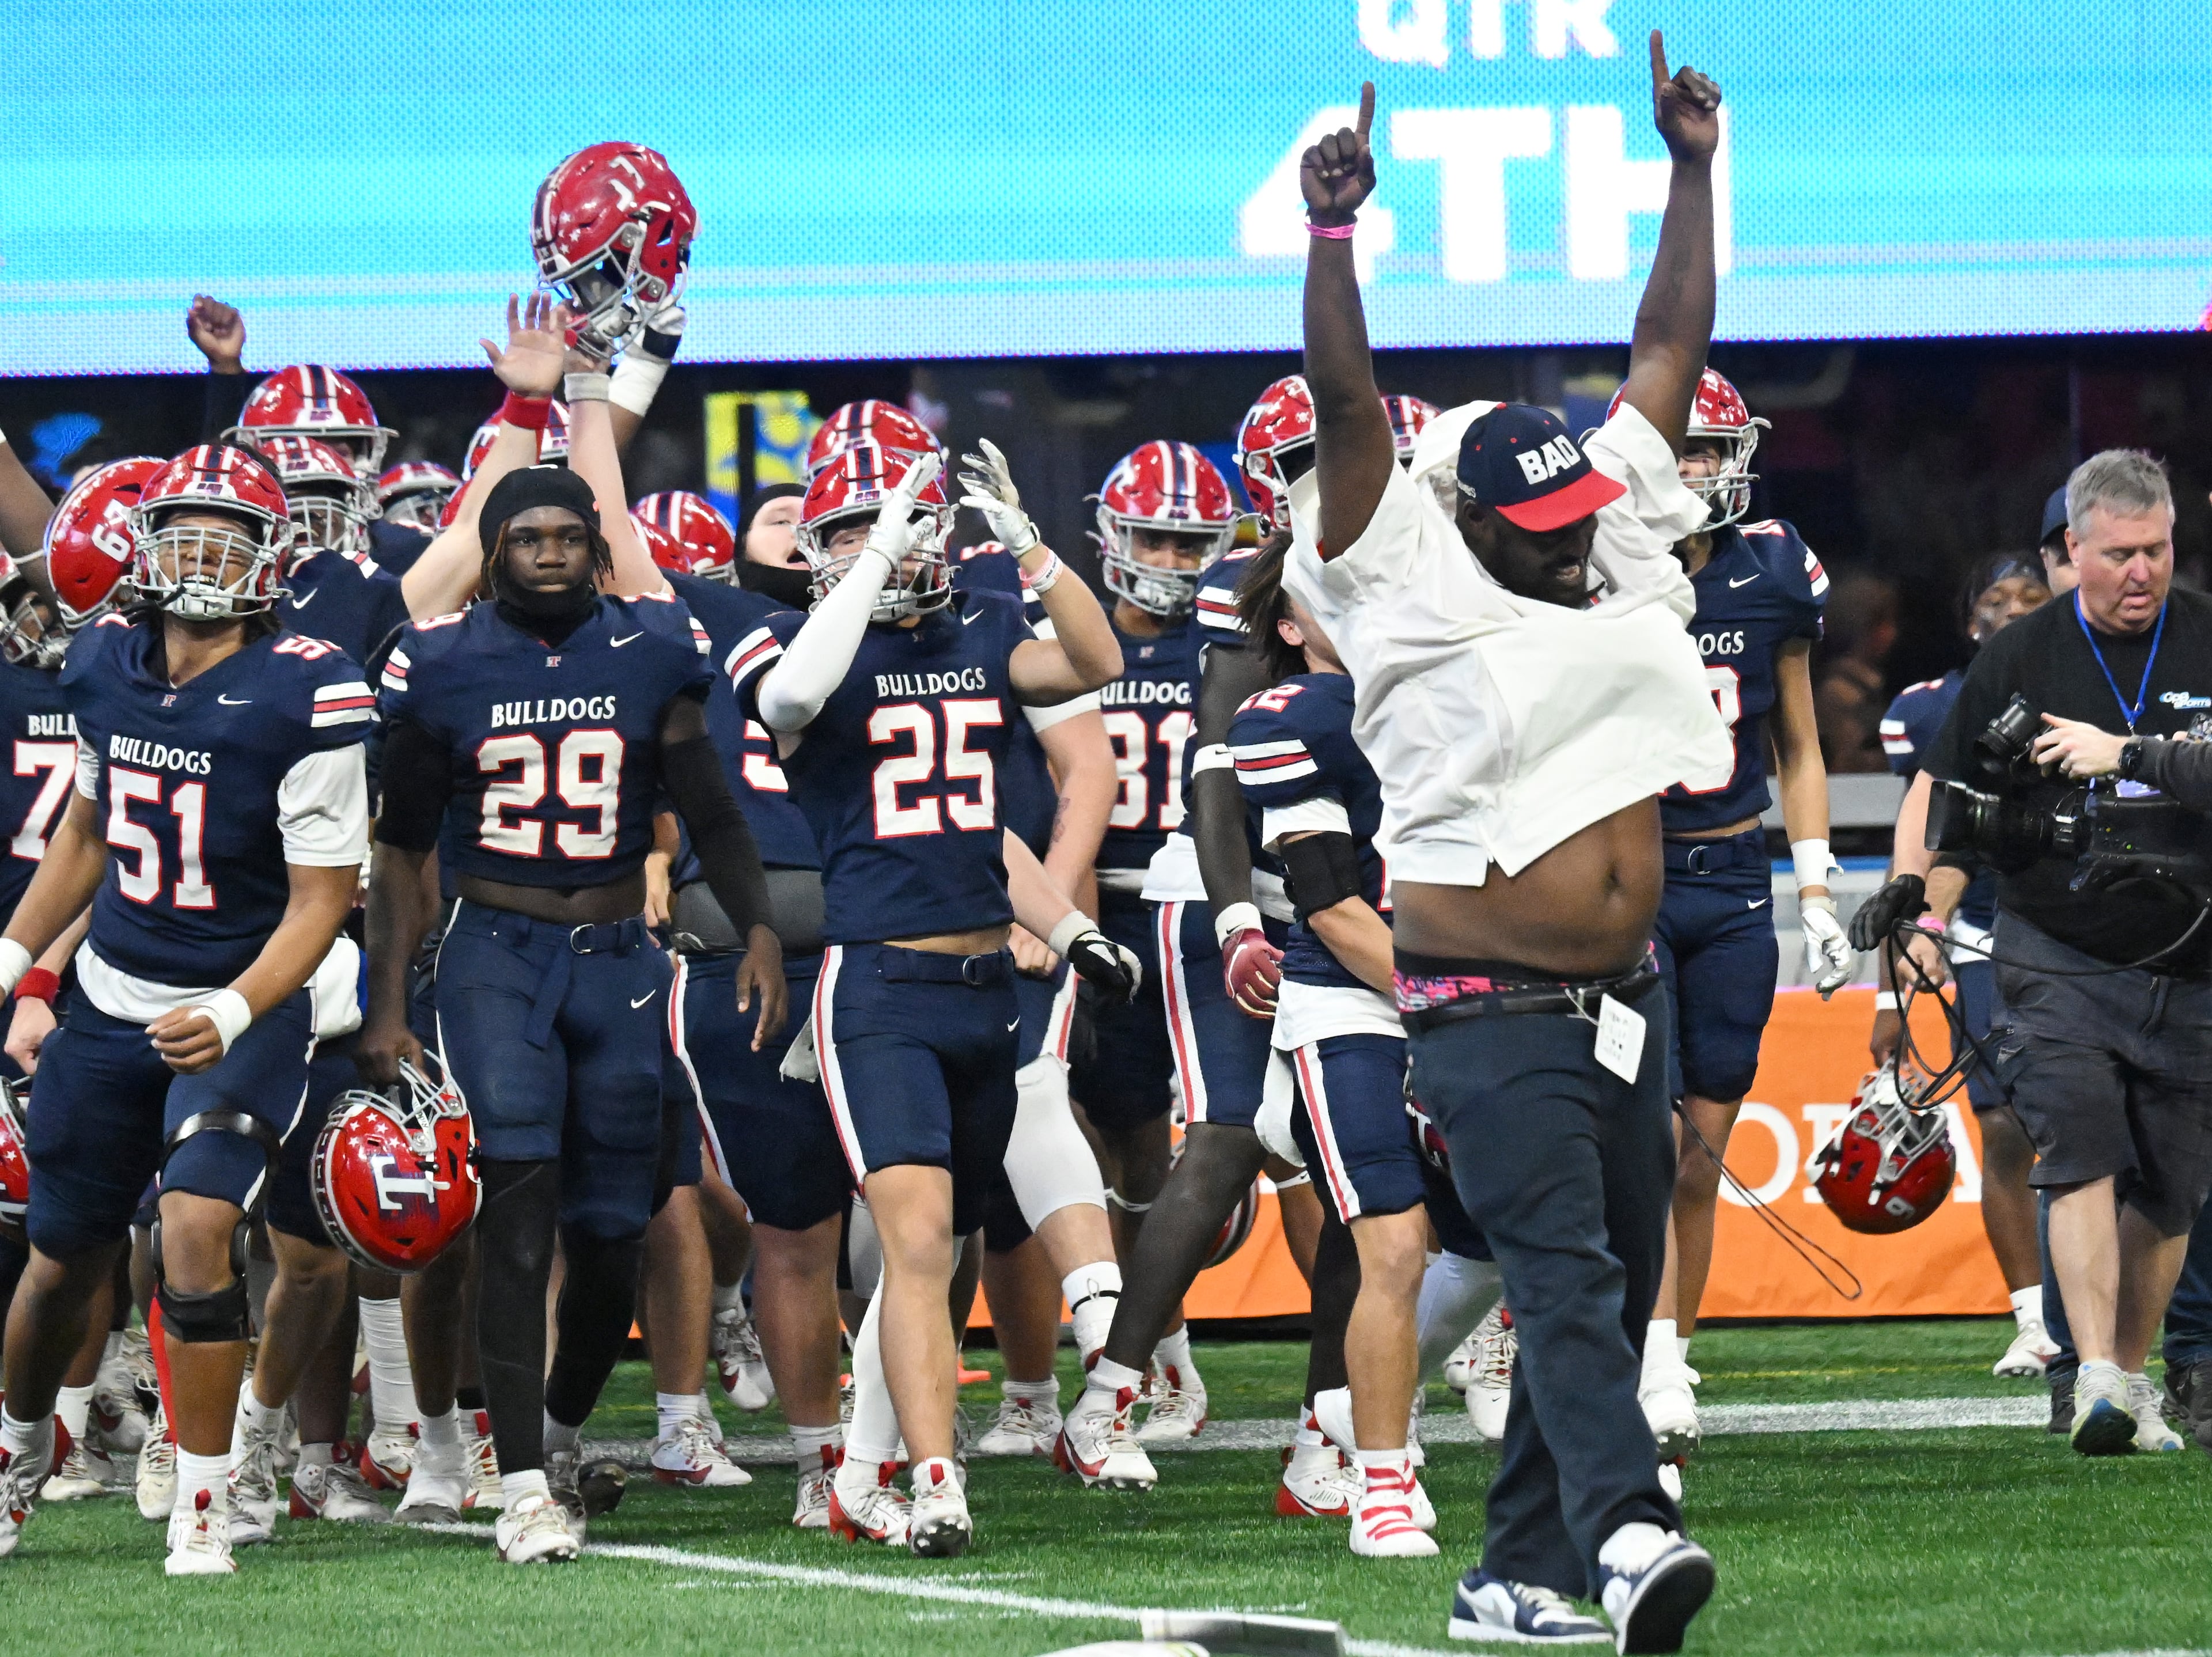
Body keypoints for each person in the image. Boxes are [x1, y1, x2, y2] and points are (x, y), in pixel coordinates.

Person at [1288, 40, 1728, 1650]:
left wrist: (1688, 167)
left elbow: (1669, 342)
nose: (1562, 553)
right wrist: (1334, 238)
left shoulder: (1590, 516)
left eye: (1567, 527)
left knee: (1606, 1258)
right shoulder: (1396, 563)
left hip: (1627, 991)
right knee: (1563, 1275)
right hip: (1484, 999)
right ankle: (1625, 1530)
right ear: (1461, 514)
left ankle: (1517, 1569)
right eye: (1529, 535)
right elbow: (1346, 398)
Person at [360, 378, 786, 1568]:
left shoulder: (654, 648)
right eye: (525, 538)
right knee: (518, 1201)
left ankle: (548, 1430)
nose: (548, 553)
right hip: (495, 952)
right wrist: (388, 1001)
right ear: (492, 554)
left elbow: (713, 803)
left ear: (597, 550)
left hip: (620, 959)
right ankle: (528, 1482)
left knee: (615, 1229)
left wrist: (753, 924)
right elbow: (398, 852)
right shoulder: (438, 663)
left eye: (566, 536)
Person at [728, 439, 1127, 1557]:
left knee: (939, 1251)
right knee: (913, 1238)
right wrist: (871, 563)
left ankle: (863, 1471)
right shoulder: (796, 644)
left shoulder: (982, 631)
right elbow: (797, 690)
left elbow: (1093, 659)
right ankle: (937, 1478)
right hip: (883, 984)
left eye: (897, 517)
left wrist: (1031, 546)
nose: (884, 538)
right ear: (818, 550)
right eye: (855, 523)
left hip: (983, 985)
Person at [0, 443, 372, 1574]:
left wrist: (238, 1001)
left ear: (275, 557)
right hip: (114, 998)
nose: (204, 553)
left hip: (245, 996)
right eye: (186, 528)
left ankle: (205, 1496)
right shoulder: (106, 659)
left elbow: (323, 900)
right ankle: (17, 1453)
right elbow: (86, 827)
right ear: (142, 544)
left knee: (197, 1232)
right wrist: (17, 949)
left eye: (231, 531)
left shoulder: (313, 686)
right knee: (60, 1259)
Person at [1910, 449, 2212, 1457]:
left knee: (2170, 1182)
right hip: (2057, 946)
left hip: (2193, 953)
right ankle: (2093, 1375)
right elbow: (1961, 815)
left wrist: (2126, 754)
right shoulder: (2021, 655)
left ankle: (2129, 1375)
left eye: (2158, 550)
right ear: (2071, 551)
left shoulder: (2207, 633)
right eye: (2119, 553)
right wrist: (1920, 912)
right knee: (2078, 1144)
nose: (2143, 572)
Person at [1637, 368, 1843, 1470]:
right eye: (1675, 448)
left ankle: (1672, 1347)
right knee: (1654, 1138)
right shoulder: (1599, 570)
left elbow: (1799, 744)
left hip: (1731, 883)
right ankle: (1651, 1361)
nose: (1690, 470)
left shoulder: (1772, 571)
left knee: (1701, 1154)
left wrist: (1814, 885)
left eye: (1707, 450)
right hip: (1629, 881)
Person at [1227, 539, 1438, 1559]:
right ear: (1292, 624)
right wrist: (1447, 997)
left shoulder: (1462, 679)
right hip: (1355, 997)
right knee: (1391, 1244)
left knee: (1517, 1241)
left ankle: (1365, 1408)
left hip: (1476, 987)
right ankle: (1383, 1480)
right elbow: (1336, 909)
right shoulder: (1295, 716)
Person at [646, 494, 853, 1521]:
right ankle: (823, 1458)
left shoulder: (946, 630)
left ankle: (912, 1450)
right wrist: (609, 382)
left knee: (926, 1224)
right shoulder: (709, 624)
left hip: (897, 948)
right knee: (791, 1221)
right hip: (756, 945)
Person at [1059, 440, 1237, 1443]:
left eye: (1189, 542)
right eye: (1155, 540)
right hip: (1103, 912)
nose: (1171, 561)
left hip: (1214, 909)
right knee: (1121, 1140)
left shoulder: (1234, 638)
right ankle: (1158, 1351)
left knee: (1250, 1135)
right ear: (1112, 538)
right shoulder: (1070, 639)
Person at [1870, 554, 2054, 1382]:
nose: (2013, 610)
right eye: (1995, 598)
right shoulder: (1933, 708)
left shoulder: (2092, 686)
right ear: (1967, 616)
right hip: (1978, 933)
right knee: (2006, 1129)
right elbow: (1915, 849)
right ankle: (2033, 1314)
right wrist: (1890, 991)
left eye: (2030, 598)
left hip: (2078, 936)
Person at [1812, 571, 1897, 773]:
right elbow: (1849, 761)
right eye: (1882, 623)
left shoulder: (1872, 686)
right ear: (1861, 626)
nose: (1891, 632)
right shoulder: (1838, 693)